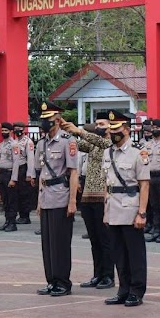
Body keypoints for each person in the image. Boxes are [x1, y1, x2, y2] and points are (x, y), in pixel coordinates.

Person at [61, 116, 115, 290]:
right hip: (88, 195)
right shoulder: (92, 143)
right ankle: (97, 274)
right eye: (97, 124)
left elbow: (97, 141)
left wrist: (80, 131)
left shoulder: (111, 143)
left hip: (102, 196)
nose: (98, 127)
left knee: (105, 239)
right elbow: (75, 144)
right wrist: (65, 129)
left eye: (102, 124)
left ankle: (108, 275)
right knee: (94, 239)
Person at [102, 110, 150, 307]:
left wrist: (142, 213)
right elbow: (107, 185)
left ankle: (136, 290)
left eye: (117, 129)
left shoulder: (138, 153)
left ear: (127, 130)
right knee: (118, 253)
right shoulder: (108, 152)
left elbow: (144, 185)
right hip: (113, 208)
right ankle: (123, 289)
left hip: (131, 209)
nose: (113, 133)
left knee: (134, 253)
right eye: (111, 129)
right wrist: (106, 212)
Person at [35, 102, 79, 297]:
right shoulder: (41, 143)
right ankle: (51, 280)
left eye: (48, 120)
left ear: (58, 120)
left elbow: (74, 173)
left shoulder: (67, 141)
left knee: (60, 243)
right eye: (43, 119)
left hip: (61, 196)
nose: (45, 123)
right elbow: (41, 174)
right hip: (46, 197)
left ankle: (63, 282)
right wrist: (38, 201)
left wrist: (72, 201)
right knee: (47, 243)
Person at [0, 122, 20, 232]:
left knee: (11, 200)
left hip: (9, 174)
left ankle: (12, 223)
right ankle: (7, 221)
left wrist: (13, 179)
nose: (4, 133)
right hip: (2, 174)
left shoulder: (14, 145)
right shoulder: (1, 145)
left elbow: (16, 162)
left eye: (6, 131)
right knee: (5, 200)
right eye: (2, 131)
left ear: (11, 132)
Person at [13, 121, 36, 225]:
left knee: (24, 194)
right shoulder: (14, 141)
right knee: (17, 193)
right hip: (15, 169)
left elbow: (31, 159)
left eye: (19, 128)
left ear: (23, 130)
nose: (17, 130)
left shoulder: (28, 142)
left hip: (24, 168)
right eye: (15, 128)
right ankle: (20, 214)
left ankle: (25, 216)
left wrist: (29, 174)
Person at [138, 119, 155, 235]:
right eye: (145, 130)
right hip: (144, 174)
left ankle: (155, 225)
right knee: (146, 202)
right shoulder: (141, 142)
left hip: (154, 174)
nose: (147, 133)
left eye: (149, 130)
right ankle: (148, 223)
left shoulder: (156, 142)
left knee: (154, 203)